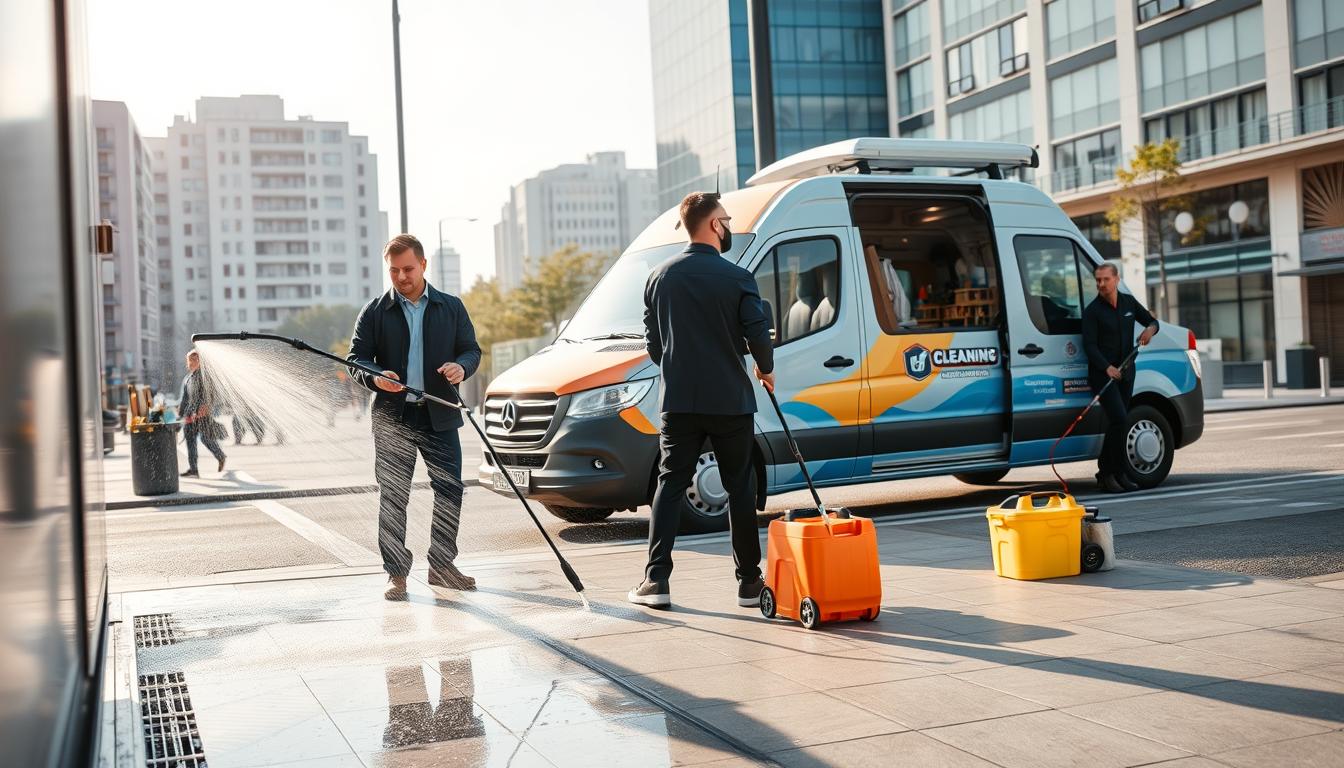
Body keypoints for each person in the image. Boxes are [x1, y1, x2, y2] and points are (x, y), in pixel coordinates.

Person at [628, 192, 775, 610]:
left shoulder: (659, 277)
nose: (727, 226)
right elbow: (758, 334)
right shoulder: (738, 277)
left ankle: (656, 582)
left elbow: (654, 347)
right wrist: (765, 369)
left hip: (680, 402)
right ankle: (749, 583)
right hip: (730, 400)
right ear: (714, 225)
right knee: (740, 488)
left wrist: (681, 361)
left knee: (671, 483)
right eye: (725, 220)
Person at [349, 234, 482, 600]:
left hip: (440, 416)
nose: (401, 277)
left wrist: (462, 367)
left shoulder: (451, 307)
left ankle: (442, 566)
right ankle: (396, 574)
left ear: (423, 265)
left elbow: (471, 350)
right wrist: (375, 377)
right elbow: (356, 360)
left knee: (450, 490)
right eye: (394, 270)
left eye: (408, 269)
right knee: (393, 496)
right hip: (393, 419)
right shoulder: (374, 312)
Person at [1082, 262, 1158, 493]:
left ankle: (1119, 473)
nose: (1101, 284)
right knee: (1119, 419)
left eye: (1105, 279)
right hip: (1102, 375)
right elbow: (1089, 346)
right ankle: (1106, 473)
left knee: (1121, 422)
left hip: (1127, 372)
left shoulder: (1128, 302)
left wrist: (1149, 331)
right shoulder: (1093, 311)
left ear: (1116, 279)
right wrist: (1107, 367)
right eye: (1098, 280)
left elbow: (1152, 321)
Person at [178, 349, 226, 477]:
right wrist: (180, 414)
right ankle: (193, 469)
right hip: (190, 415)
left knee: (205, 438)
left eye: (193, 360)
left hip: (202, 414)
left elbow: (211, 394)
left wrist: (205, 407)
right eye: (189, 360)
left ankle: (220, 456)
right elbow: (185, 399)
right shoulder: (188, 378)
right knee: (190, 441)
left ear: (200, 361)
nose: (190, 362)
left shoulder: (205, 376)